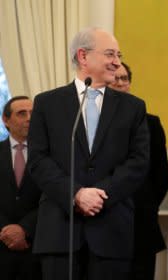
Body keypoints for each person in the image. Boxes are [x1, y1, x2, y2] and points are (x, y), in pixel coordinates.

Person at [28, 27, 149, 280]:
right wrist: (76, 194)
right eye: (110, 54)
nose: (117, 62)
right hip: (60, 231)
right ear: (83, 56)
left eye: (118, 54)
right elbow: (39, 161)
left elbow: (138, 162)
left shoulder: (133, 107)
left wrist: (100, 195)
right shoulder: (46, 103)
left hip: (111, 229)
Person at [109, 62, 168, 280]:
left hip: (141, 221)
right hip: (102, 221)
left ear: (130, 84)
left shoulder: (151, 123)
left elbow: (161, 176)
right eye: (115, 78)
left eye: (124, 78)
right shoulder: (91, 121)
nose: (119, 83)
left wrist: (147, 205)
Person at [0, 96, 41, 280]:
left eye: (33, 113)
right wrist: (6, 230)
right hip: (2, 243)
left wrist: (24, 229)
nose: (29, 118)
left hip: (36, 244)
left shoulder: (50, 155)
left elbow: (52, 196)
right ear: (6, 120)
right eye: (22, 113)